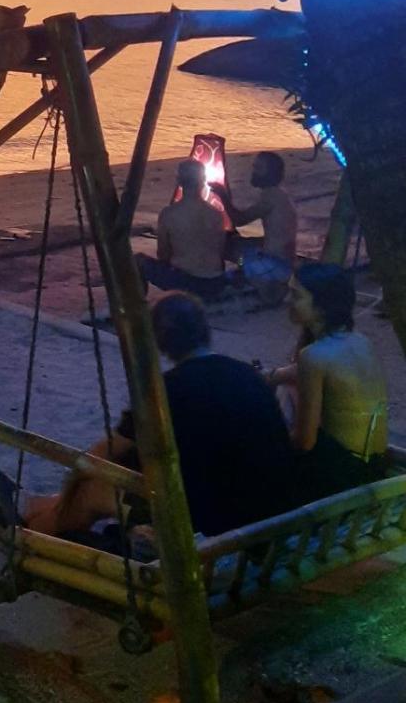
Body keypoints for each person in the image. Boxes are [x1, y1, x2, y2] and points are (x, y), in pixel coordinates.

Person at [0, 292, 296, 539]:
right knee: (121, 468)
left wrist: (71, 484)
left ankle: (33, 531)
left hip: (213, 521)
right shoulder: (247, 374)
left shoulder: (168, 390)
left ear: (161, 340)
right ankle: (37, 505)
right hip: (265, 505)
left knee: (91, 489)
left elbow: (106, 451)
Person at [263, 264, 389, 500]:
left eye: (296, 295)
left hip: (343, 476)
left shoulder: (313, 356)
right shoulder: (361, 341)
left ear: (322, 306)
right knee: (286, 389)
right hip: (374, 466)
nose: (287, 300)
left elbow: (305, 442)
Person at [140, 159, 228, 301]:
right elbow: (220, 250)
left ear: (179, 182)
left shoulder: (169, 214)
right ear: (203, 181)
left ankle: (138, 304)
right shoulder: (216, 213)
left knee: (139, 261)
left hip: (186, 284)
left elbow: (163, 254)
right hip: (215, 283)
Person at [214, 151, 298, 286]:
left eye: (258, 168)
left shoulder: (271, 197)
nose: (253, 172)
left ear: (270, 173)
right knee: (244, 242)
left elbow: (239, 220)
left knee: (229, 249)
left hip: (276, 265)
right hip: (284, 260)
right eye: (254, 167)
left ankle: (241, 272)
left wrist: (222, 195)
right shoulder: (279, 194)